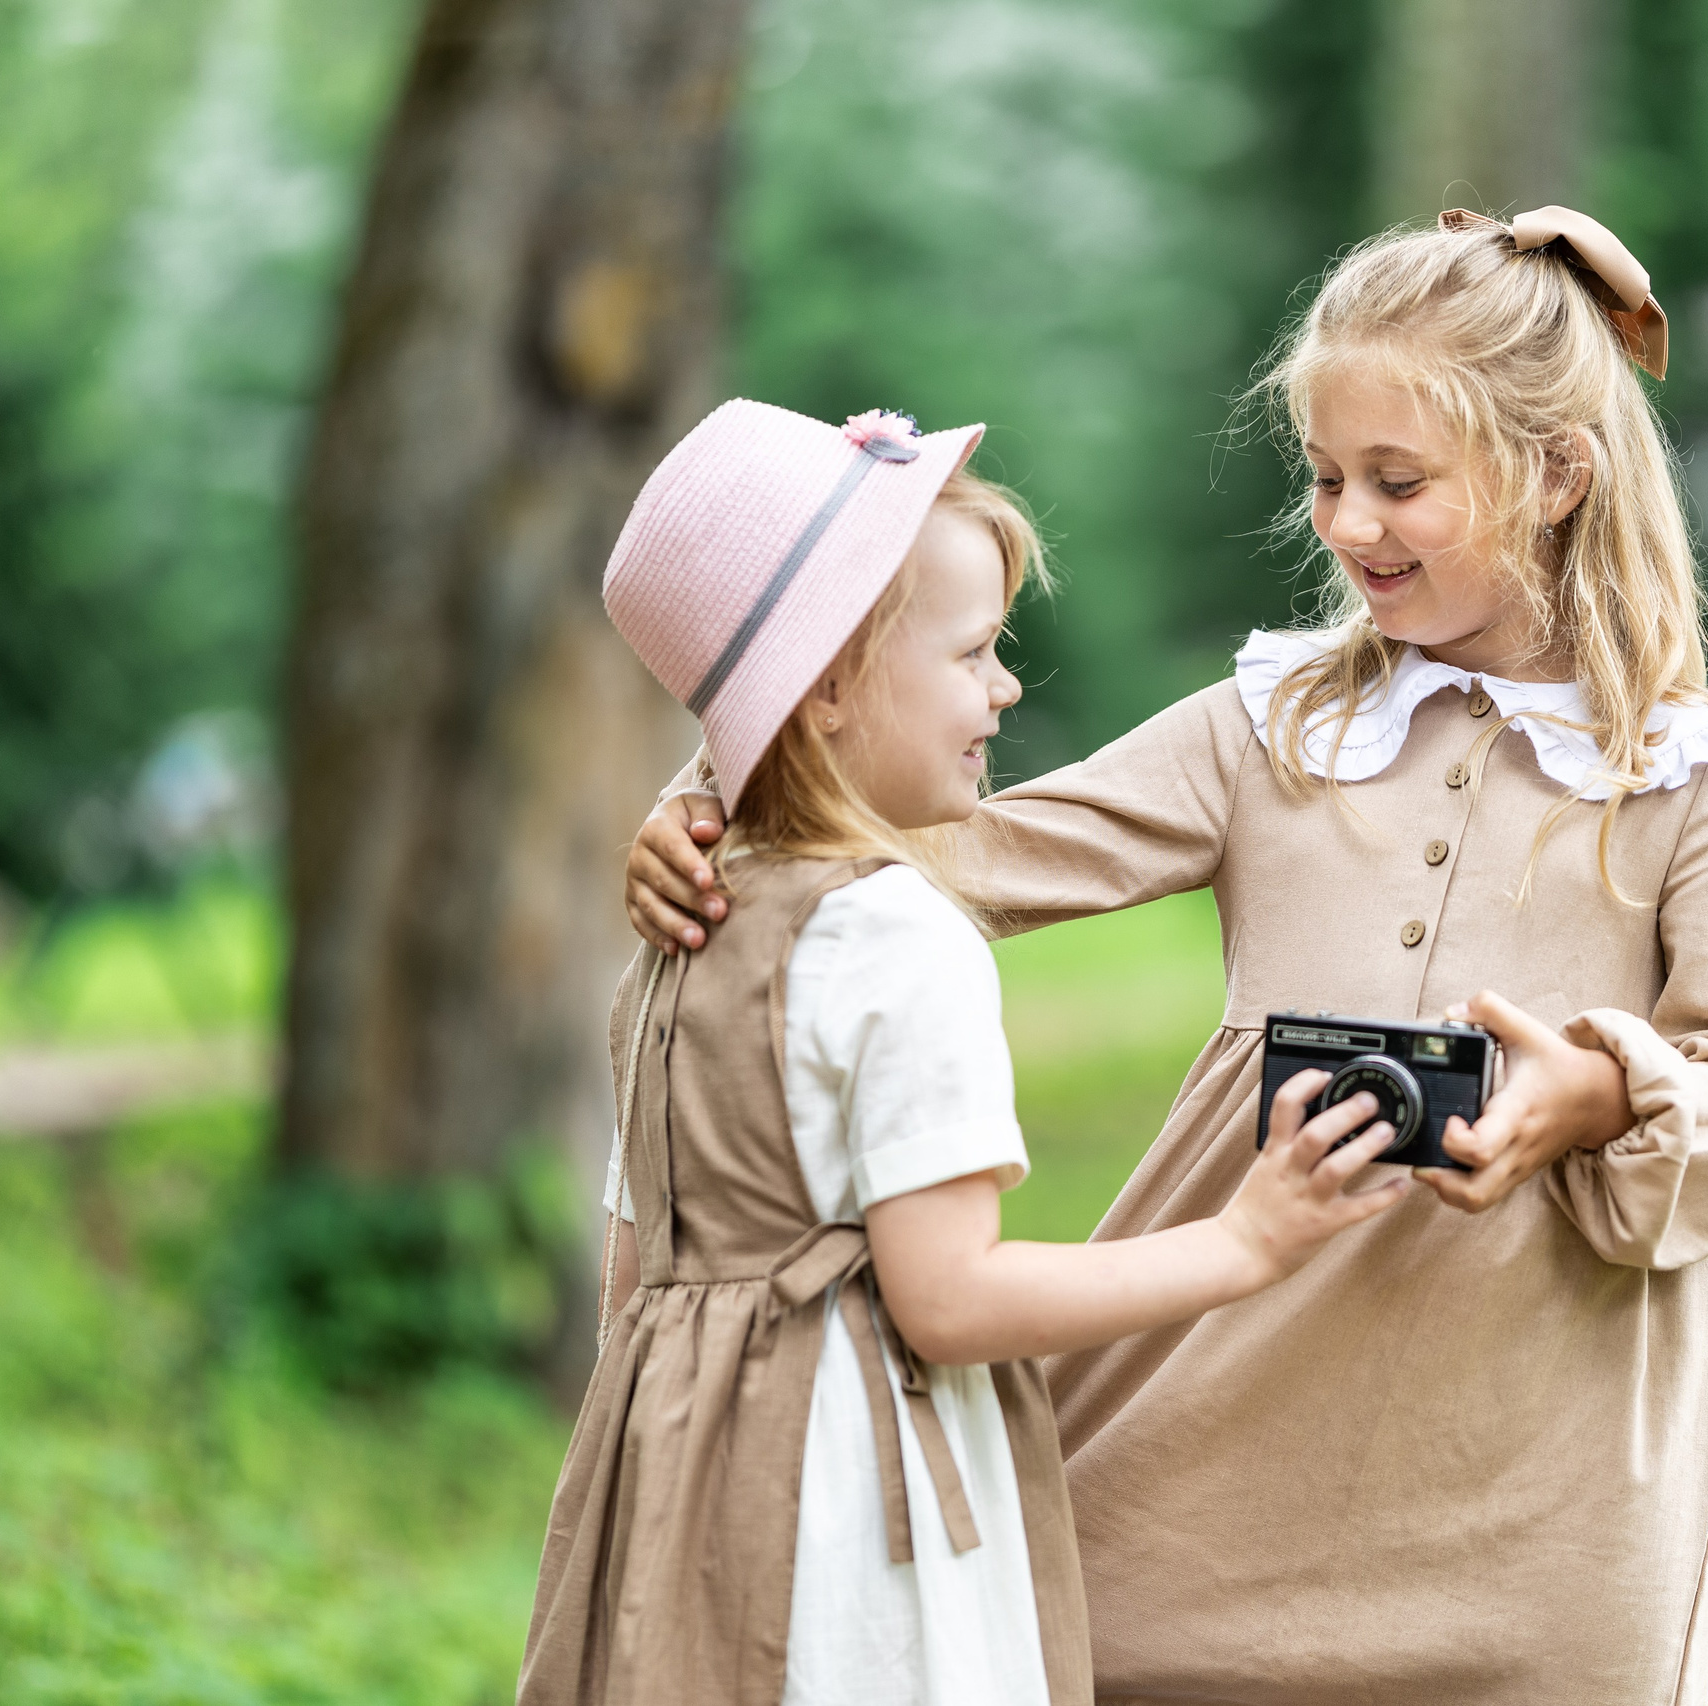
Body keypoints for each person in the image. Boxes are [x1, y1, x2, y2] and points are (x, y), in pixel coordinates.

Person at [623, 209, 1708, 1705]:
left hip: (1545, 1495)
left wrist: (1595, 1095)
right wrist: (722, 811)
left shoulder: (1692, 781)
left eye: (1399, 481)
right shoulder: (1278, 726)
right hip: (1207, 1467)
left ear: (1556, 475)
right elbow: (954, 851)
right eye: (1327, 478)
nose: (1347, 522)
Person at [519, 401, 1409, 1706]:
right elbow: (948, 1298)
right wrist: (1245, 1242)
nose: (1004, 687)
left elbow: (631, 1273)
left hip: (675, 1485)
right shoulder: (898, 934)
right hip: (849, 1513)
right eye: (975, 651)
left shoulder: (678, 938)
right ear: (830, 687)